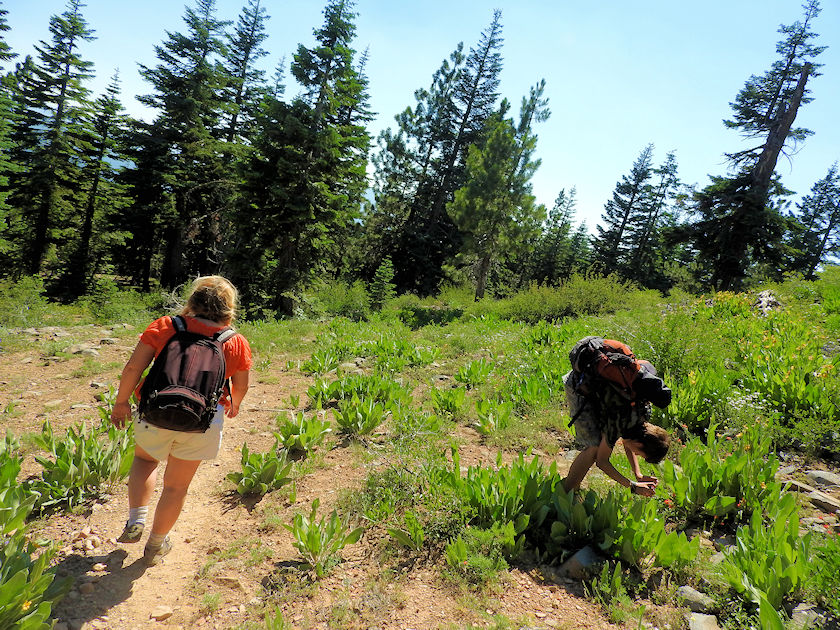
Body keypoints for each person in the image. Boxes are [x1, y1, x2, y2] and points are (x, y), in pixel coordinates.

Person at [110, 275, 252, 565]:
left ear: (193, 300)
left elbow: (133, 368)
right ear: (229, 308)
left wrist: (121, 402)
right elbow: (241, 385)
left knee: (146, 461)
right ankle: (156, 544)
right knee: (176, 487)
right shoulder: (235, 342)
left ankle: (136, 520)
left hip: (155, 411)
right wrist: (234, 403)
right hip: (202, 421)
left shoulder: (166, 326)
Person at [562, 347, 671, 497]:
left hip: (596, 387)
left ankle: (570, 490)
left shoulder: (641, 418)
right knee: (594, 447)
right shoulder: (620, 421)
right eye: (640, 454)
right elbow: (602, 462)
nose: (636, 454)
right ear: (640, 444)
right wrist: (633, 486)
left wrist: (638, 474)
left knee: (599, 443)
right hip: (578, 384)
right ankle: (566, 493)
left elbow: (628, 441)